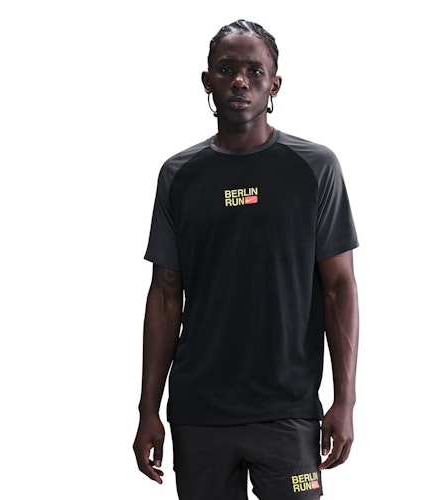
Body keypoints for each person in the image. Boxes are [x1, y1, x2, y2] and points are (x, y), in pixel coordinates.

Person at [133, 19, 359, 500]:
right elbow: (165, 295)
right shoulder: (179, 176)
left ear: (274, 84)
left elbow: (339, 288)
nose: (240, 81)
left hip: (289, 415)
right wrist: (147, 409)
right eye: (226, 69)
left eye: (255, 71)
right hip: (200, 416)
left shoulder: (315, 169)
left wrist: (346, 401)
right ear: (207, 81)